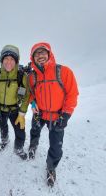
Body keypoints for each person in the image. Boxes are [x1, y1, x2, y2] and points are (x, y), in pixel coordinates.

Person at [28, 42, 79, 186]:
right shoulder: (32, 77)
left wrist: (66, 114)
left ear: (49, 54)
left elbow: (72, 94)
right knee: (34, 131)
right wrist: (32, 103)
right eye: (37, 54)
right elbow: (31, 94)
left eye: (43, 52)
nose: (40, 56)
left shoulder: (63, 71)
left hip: (58, 116)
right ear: (33, 58)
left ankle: (51, 167)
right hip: (40, 114)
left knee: (56, 146)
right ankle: (33, 146)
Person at [0, 45, 30, 160]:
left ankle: (18, 148)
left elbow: (26, 96)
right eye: (6, 58)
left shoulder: (21, 75)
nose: (9, 62)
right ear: (1, 60)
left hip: (15, 110)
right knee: (3, 127)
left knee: (20, 131)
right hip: (0, 109)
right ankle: (5, 140)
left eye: (12, 59)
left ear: (16, 61)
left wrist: (22, 114)